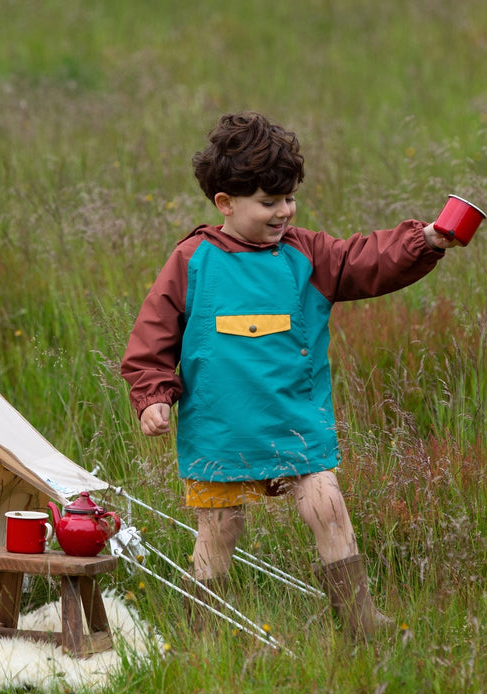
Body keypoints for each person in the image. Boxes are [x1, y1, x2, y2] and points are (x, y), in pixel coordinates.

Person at [121, 111, 462, 641]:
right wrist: (152, 397)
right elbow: (152, 336)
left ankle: (360, 622)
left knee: (327, 507)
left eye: (289, 198)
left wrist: (426, 241)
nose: (284, 211)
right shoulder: (192, 260)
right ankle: (205, 631)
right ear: (225, 204)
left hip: (295, 420)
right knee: (219, 529)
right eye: (268, 202)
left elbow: (365, 259)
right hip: (219, 426)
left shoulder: (309, 254)